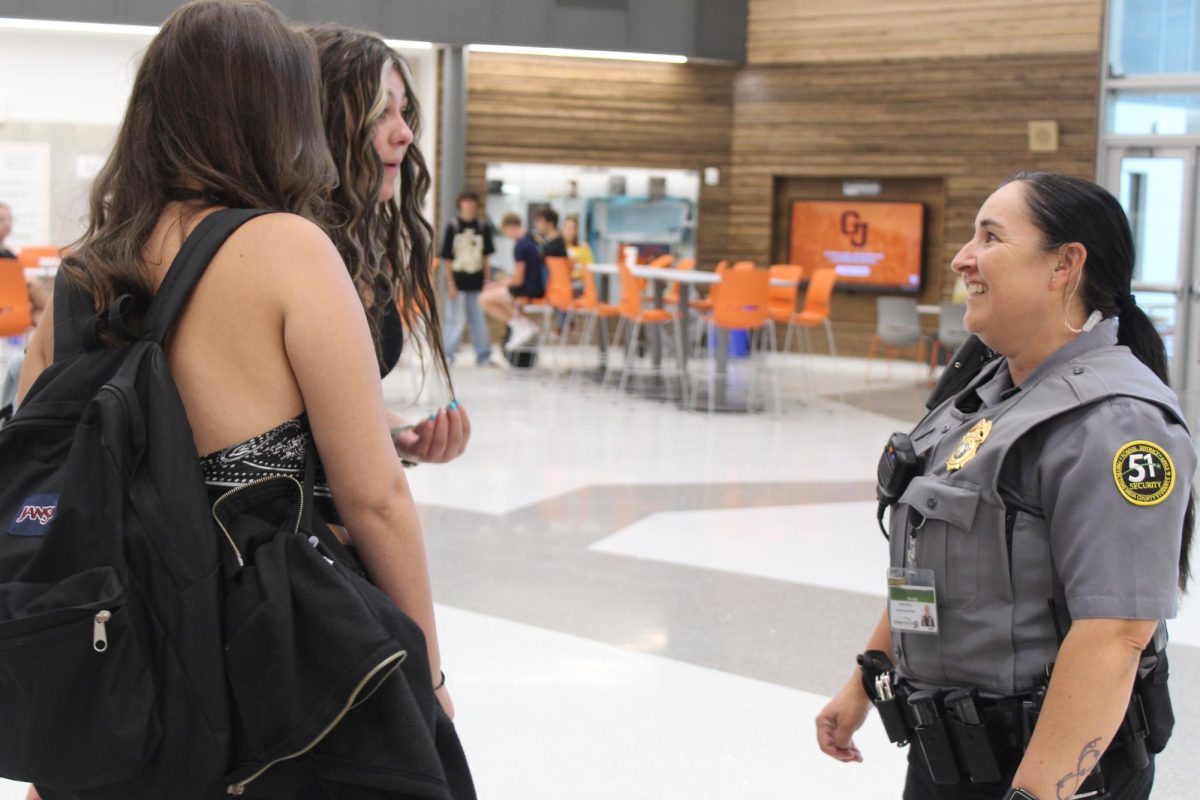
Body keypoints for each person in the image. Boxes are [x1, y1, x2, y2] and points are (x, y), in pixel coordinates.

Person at [16, 1, 466, 796]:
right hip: (268, 666)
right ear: (278, 113)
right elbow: (375, 499)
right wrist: (426, 676)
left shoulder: (80, 277)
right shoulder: (286, 249)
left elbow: (38, 476)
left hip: (111, 669)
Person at [815, 172, 1195, 800]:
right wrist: (870, 673)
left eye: (990, 237)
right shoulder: (986, 398)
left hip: (1052, 772)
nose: (964, 257)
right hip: (949, 756)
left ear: (1064, 265)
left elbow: (1117, 631)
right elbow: (929, 560)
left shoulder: (1114, 421)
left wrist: (1035, 793)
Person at [307, 24, 469, 465]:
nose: (405, 134)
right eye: (380, 112)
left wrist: (395, 432)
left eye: (404, 112)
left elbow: (319, 411)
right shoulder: (286, 252)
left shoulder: (353, 243)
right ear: (320, 121)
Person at [439, 191, 494, 366]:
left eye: (472, 202)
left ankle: (483, 355)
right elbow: (446, 258)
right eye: (466, 202)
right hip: (458, 281)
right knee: (455, 319)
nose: (469, 206)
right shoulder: (453, 226)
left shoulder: (483, 227)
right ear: (460, 204)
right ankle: (447, 354)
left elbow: (486, 258)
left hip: (477, 282)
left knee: (478, 320)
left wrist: (487, 281)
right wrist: (450, 283)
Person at [480, 212, 545, 352]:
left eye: (505, 232)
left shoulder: (520, 246)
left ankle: (520, 326)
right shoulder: (533, 239)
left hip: (529, 287)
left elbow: (519, 280)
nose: (508, 236)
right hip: (537, 284)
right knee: (500, 296)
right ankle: (521, 325)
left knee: (484, 299)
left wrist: (498, 284)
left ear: (509, 227)